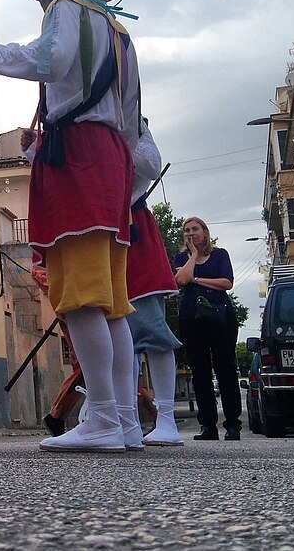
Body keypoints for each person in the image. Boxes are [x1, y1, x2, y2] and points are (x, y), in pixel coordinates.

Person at [0, 0, 142, 452]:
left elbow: (47, 59)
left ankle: (101, 417)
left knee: (81, 297)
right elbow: (130, 112)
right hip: (112, 158)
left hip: (77, 153)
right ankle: (123, 420)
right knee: (114, 306)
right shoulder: (117, 28)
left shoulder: (66, 9)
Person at [125, 123, 184, 446]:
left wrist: (113, 136)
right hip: (102, 231)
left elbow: (150, 164)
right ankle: (125, 417)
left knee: (152, 331)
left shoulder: (133, 121)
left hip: (134, 231)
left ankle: (166, 419)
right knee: (120, 336)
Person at [173, 216, 240, 440]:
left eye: (195, 229)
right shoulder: (182, 257)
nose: (191, 233)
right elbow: (181, 280)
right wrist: (193, 256)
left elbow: (227, 283)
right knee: (200, 372)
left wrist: (197, 279)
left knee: (225, 369)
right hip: (192, 318)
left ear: (205, 232)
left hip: (221, 318)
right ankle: (208, 425)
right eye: (187, 230)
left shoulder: (220, 254)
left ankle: (232, 425)